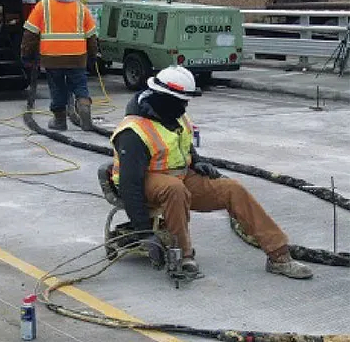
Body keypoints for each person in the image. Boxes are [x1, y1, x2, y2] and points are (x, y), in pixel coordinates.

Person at [110, 65, 313, 279]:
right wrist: (145, 233)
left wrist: (198, 161)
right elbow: (130, 183)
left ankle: (279, 255)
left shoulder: (175, 115)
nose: (184, 106)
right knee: (174, 189)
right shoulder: (134, 131)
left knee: (232, 189)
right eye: (181, 100)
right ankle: (183, 256)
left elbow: (183, 144)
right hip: (145, 184)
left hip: (179, 177)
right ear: (163, 97)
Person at [21, 0, 98, 131]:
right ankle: (85, 111)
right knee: (80, 86)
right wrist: (93, 56)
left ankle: (60, 121)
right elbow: (91, 37)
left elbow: (30, 34)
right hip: (77, 58)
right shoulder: (81, 9)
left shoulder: (44, 6)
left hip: (52, 58)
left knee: (57, 88)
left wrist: (26, 54)